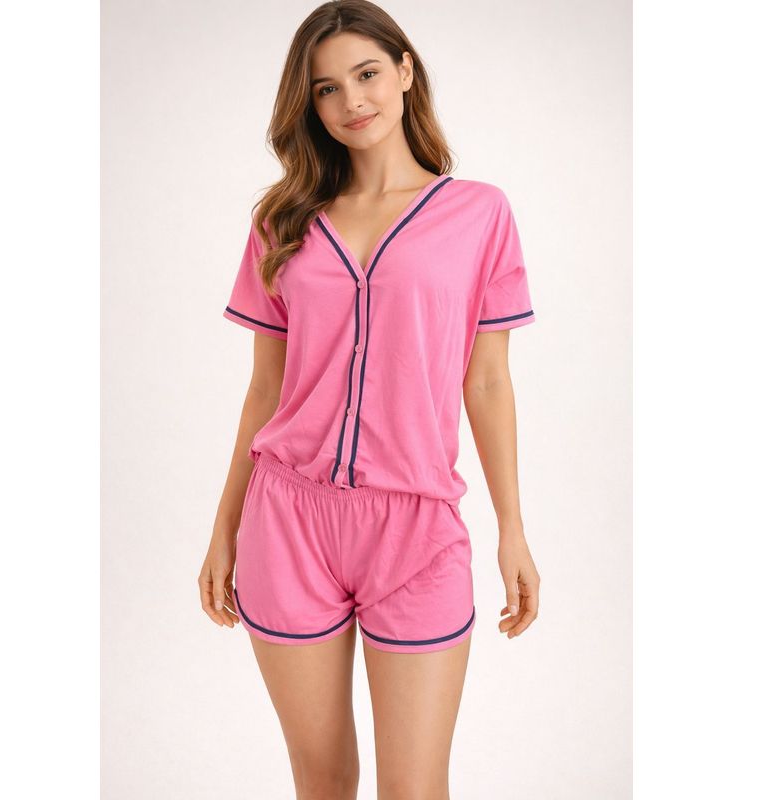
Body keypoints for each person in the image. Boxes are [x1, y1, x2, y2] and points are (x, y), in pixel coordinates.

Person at [198, 1, 541, 796]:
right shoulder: (282, 220)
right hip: (288, 521)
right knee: (322, 782)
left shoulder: (479, 214)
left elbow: (488, 380)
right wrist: (223, 528)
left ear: (405, 71)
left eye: (367, 74)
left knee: (413, 787)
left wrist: (512, 530)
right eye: (326, 88)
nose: (352, 101)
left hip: (418, 527)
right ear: (309, 104)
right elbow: (265, 387)